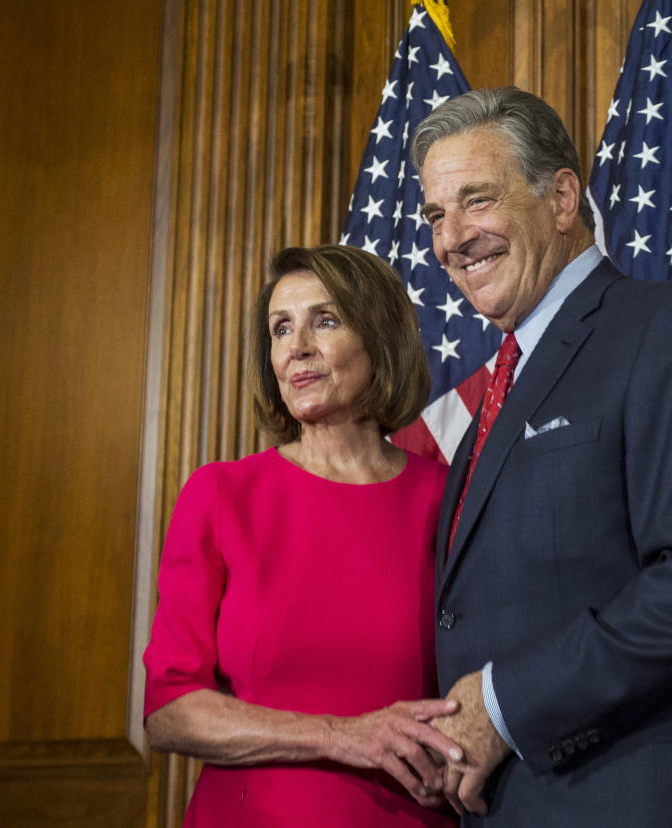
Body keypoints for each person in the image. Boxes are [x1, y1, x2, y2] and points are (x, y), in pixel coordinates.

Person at [411, 87, 672, 826]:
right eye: (434, 214)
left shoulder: (667, 326)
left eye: (476, 200)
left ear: (561, 199)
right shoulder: (496, 393)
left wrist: (503, 704)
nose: (451, 237)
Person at [142, 245, 460, 827]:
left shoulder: (451, 499)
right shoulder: (222, 497)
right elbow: (169, 711)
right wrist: (344, 736)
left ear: (380, 339)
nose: (297, 348)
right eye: (280, 328)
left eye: (326, 320)